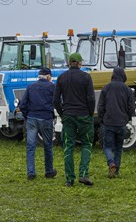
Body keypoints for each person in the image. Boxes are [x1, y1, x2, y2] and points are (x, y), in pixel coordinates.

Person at [53, 53, 96, 187]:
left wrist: (62, 113)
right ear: (79, 63)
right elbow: (91, 98)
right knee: (86, 144)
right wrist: (89, 113)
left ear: (69, 63)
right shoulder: (86, 77)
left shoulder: (61, 78)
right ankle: (83, 174)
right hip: (84, 115)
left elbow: (55, 100)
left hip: (68, 115)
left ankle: (69, 179)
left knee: (68, 147)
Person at [18, 67, 57, 181]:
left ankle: (31, 172)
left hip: (32, 118)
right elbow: (57, 101)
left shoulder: (31, 87)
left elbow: (23, 105)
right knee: (48, 145)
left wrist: (27, 116)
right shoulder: (52, 87)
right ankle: (49, 171)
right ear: (49, 76)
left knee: (31, 146)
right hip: (46, 118)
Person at [97, 67, 135, 178]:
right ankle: (116, 170)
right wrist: (127, 118)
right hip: (122, 123)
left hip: (108, 122)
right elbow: (131, 107)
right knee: (118, 148)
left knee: (107, 147)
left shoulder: (106, 88)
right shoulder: (127, 89)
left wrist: (102, 119)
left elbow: (101, 106)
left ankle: (111, 163)